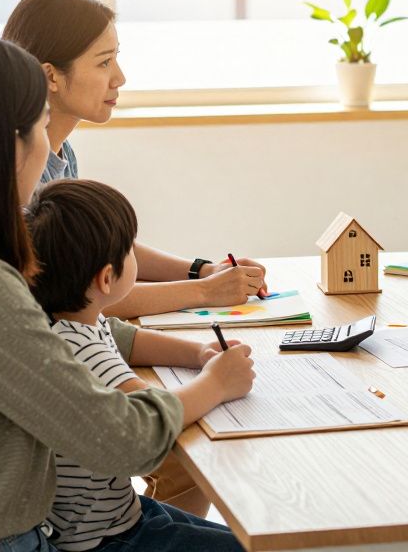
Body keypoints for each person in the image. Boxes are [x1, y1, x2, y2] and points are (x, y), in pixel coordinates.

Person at [0, 33, 245, 549]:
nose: (46, 143)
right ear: (12, 147)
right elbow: (123, 442)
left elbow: (49, 343)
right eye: (40, 125)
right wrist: (214, 384)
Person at [1, 0, 267, 320]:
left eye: (116, 58)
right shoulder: (22, 170)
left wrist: (203, 270)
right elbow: (77, 297)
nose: (120, 78)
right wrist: (204, 291)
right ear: (51, 76)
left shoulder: (61, 150)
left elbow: (100, 250)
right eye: (104, 63)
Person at [25, 178, 252, 552]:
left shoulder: (65, 320)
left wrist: (196, 354)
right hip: (106, 539)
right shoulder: (78, 351)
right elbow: (150, 415)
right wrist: (218, 382)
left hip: (119, 514)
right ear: (106, 278)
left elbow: (122, 338)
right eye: (129, 251)